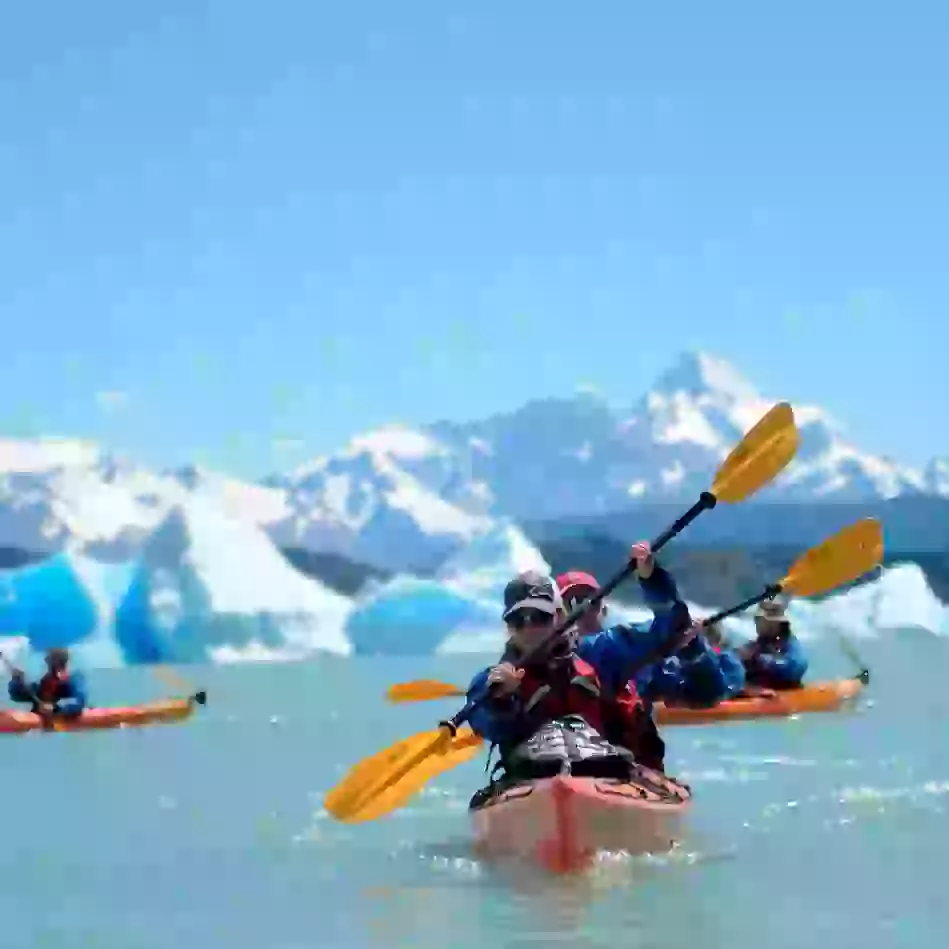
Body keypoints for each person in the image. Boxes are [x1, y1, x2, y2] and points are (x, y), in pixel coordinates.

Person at [466, 565, 703, 774]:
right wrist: (501, 701)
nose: (530, 628)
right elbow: (485, 723)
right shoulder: (491, 682)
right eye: (518, 620)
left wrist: (652, 578)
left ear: (559, 617)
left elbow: (670, 626)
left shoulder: (600, 653)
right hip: (534, 776)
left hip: (610, 769)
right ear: (508, 628)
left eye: (540, 617)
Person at [556, 549, 746, 708]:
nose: (583, 609)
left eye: (591, 601)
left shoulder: (636, 656)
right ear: (556, 614)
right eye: (572, 603)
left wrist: (693, 650)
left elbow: (708, 694)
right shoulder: (549, 660)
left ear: (604, 608)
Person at [736, 596, 808, 690]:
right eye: (756, 619)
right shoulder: (756, 645)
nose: (756, 623)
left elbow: (796, 666)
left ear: (775, 623)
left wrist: (760, 659)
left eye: (759, 619)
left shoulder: (790, 644)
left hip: (784, 691)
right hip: (758, 693)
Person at [8, 647, 88, 720]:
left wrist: (55, 707)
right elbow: (18, 696)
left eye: (50, 658)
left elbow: (79, 700)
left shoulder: (74, 677)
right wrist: (16, 680)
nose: (46, 660)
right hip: (42, 722)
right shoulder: (46, 680)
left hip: (65, 716)